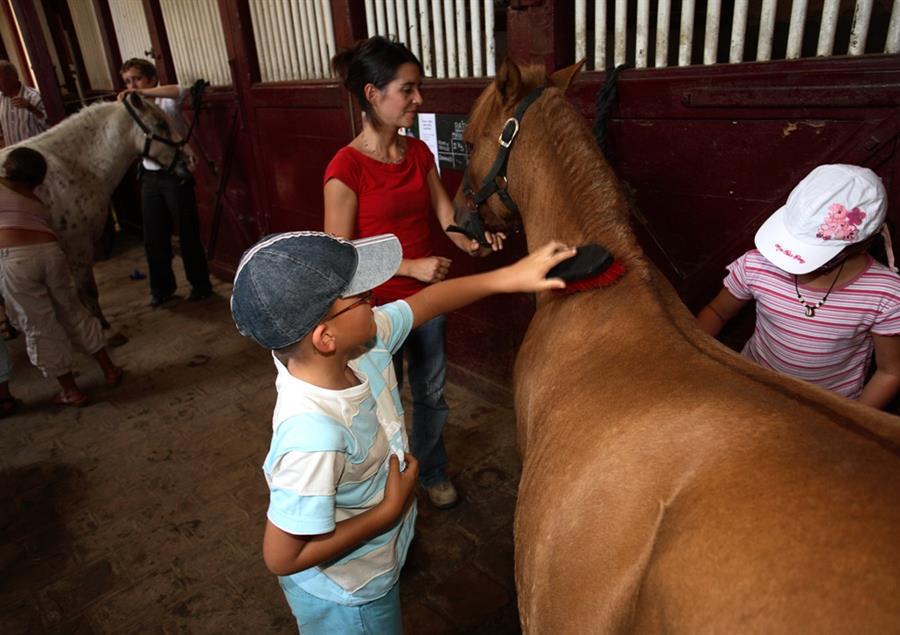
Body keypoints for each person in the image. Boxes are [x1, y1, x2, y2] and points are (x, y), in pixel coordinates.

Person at [230, 230, 573, 634]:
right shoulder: (313, 435)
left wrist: (509, 277)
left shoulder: (361, 346)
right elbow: (281, 557)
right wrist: (387, 512)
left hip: (375, 558)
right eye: (360, 298)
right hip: (348, 592)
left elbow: (426, 302)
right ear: (326, 339)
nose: (374, 297)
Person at [323, 36, 504, 510]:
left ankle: (432, 470)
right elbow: (337, 257)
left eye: (418, 87)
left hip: (426, 305)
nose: (419, 99)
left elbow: (448, 218)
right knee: (382, 404)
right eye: (408, 89)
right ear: (372, 94)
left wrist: (474, 240)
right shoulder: (345, 167)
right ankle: (386, 487)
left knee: (431, 395)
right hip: (372, 311)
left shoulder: (419, 153)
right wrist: (408, 265)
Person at [697, 164, 900, 409]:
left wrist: (850, 421)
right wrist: (691, 355)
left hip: (826, 409)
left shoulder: (887, 295)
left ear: (864, 244)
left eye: (813, 253)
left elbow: (890, 372)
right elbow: (717, 312)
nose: (791, 259)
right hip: (751, 387)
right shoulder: (758, 265)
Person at [0, 147, 123, 406]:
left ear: (10, 168)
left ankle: (70, 390)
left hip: (16, 260)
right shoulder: (35, 201)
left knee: (39, 324)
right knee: (73, 311)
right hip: (51, 253)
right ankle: (109, 369)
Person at [117, 58, 212, 308]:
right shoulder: (135, 108)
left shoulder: (165, 101)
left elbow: (181, 90)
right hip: (150, 175)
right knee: (154, 236)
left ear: (151, 79)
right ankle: (162, 289)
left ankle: (200, 285)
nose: (132, 85)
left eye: (137, 78)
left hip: (175, 175)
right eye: (128, 81)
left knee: (187, 232)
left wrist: (141, 92)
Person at [0, 60, 48, 147]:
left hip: (36, 152)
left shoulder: (34, 96)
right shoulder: (0, 99)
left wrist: (31, 108)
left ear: (13, 76)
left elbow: (49, 125)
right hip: (14, 155)